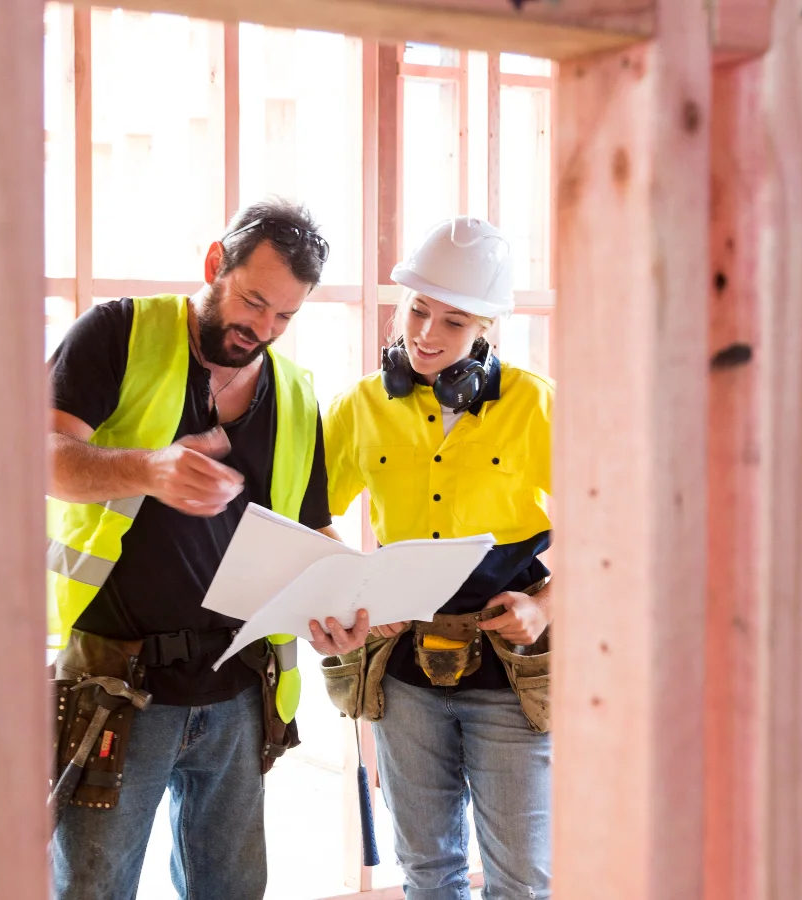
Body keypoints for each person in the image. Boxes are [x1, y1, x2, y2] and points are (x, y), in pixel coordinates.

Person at [45, 198, 340, 900]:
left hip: (239, 689)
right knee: (93, 889)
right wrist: (148, 469)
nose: (263, 330)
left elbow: (315, 531)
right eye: (253, 301)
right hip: (116, 683)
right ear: (215, 265)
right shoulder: (119, 332)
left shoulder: (294, 394)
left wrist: (341, 603)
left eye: (285, 317)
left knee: (232, 890)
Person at [308, 216, 555, 900]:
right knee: (427, 873)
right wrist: (359, 589)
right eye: (418, 310)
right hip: (407, 672)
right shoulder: (361, 406)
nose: (426, 334)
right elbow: (307, 516)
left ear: (487, 330)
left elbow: (614, 523)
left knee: (523, 880)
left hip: (510, 673)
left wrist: (545, 604)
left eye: (453, 321)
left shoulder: (533, 404)